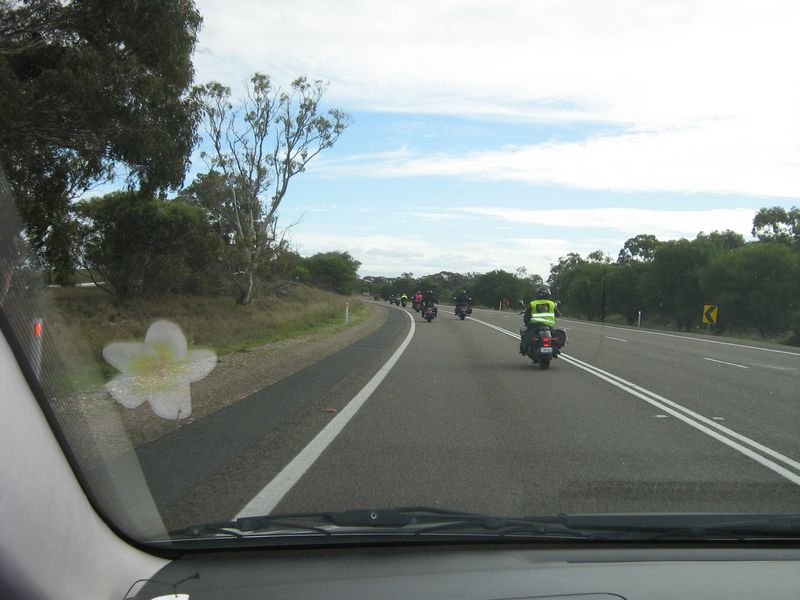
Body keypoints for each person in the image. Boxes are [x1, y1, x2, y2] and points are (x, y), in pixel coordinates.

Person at [521, 285, 561, 354]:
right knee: (554, 337)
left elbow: (526, 316)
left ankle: (525, 349)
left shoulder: (533, 303)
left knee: (526, 335)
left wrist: (527, 323)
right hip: (549, 326)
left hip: (534, 326)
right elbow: (558, 314)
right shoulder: (551, 304)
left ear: (538, 294)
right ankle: (555, 349)